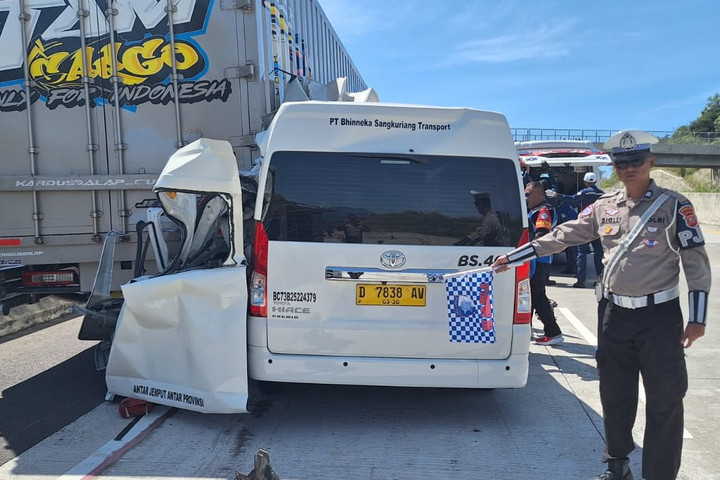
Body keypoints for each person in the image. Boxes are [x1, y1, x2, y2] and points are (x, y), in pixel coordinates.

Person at [492, 130, 711, 480]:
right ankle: (617, 465)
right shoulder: (604, 206)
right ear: (614, 167)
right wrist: (515, 256)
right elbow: (563, 235)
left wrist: (697, 318)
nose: (629, 168)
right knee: (615, 393)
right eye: (622, 163)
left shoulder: (674, 206)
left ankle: (659, 474)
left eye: (636, 161)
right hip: (614, 314)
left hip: (659, 317)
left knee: (665, 399)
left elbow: (696, 263)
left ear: (650, 162)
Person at [524, 181, 564, 346]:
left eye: (528, 194)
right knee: (531, 295)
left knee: (537, 295)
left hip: (539, 259)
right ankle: (529, 329)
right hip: (535, 258)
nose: (525, 197)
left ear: (539, 194)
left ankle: (553, 332)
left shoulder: (543, 211)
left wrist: (524, 252)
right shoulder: (534, 210)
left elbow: (541, 235)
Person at [547, 171, 605, 287]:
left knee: (581, 252)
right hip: (598, 225)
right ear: (595, 181)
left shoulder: (584, 192)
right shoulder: (602, 194)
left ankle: (581, 281)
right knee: (599, 253)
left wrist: (557, 195)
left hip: (585, 225)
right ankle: (600, 280)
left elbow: (573, 199)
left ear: (585, 181)